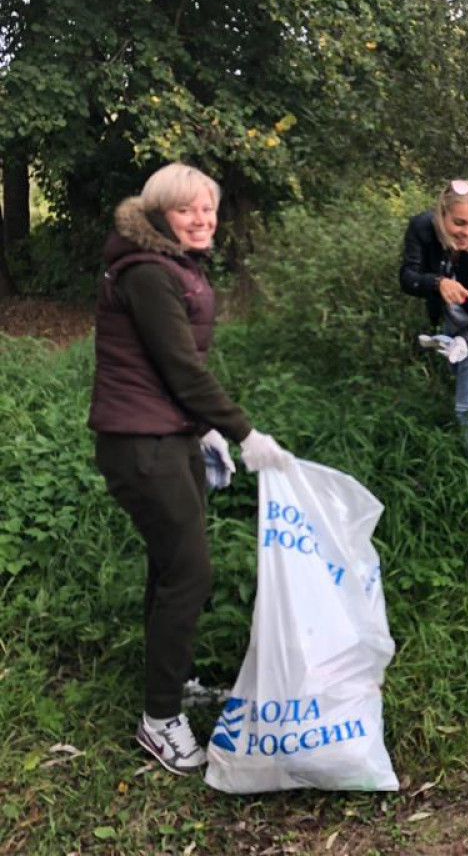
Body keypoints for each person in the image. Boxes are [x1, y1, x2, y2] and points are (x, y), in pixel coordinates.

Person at [88, 162, 294, 775]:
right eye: (187, 210)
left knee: (170, 565)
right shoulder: (149, 272)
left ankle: (171, 684)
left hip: (166, 433)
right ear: (159, 216)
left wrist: (201, 428)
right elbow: (181, 367)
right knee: (190, 572)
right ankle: (159, 721)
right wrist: (242, 431)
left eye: (208, 208)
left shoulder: (172, 264)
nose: (202, 219)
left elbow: (165, 365)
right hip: (140, 443)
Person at [399, 179, 468, 467]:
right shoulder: (422, 229)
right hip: (450, 326)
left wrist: (466, 340)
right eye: (459, 223)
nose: (467, 233)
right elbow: (408, 278)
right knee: (465, 390)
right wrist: (437, 283)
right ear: (441, 215)